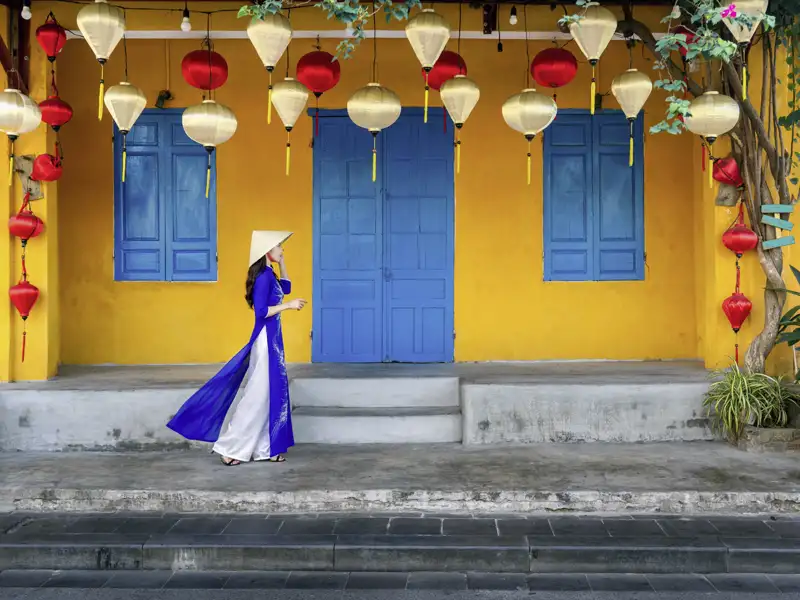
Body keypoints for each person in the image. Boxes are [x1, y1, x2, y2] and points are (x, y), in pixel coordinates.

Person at [167, 230, 307, 466]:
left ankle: (266, 448)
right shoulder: (262, 277)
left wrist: (283, 264)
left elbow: (288, 287)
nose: (282, 250)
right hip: (265, 340)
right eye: (279, 247)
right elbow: (261, 312)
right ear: (267, 251)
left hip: (273, 340)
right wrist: (288, 306)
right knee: (257, 396)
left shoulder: (269, 273)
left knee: (269, 396)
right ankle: (229, 447)